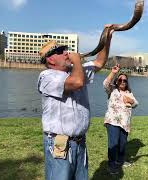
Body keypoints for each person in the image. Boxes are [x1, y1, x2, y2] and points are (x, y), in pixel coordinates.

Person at [37, 25, 114, 180]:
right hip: (59, 143)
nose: (66, 52)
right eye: (60, 51)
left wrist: (107, 38)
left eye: (65, 49)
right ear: (50, 59)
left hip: (79, 142)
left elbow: (99, 62)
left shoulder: (74, 70)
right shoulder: (46, 77)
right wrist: (77, 61)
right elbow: (77, 82)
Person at [103, 64, 138, 174]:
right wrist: (113, 72)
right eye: (120, 79)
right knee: (113, 143)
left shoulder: (129, 93)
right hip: (112, 121)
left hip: (125, 123)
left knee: (122, 143)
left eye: (125, 80)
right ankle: (111, 165)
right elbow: (105, 84)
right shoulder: (112, 90)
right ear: (117, 81)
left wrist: (132, 101)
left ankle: (120, 161)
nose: (123, 82)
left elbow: (136, 103)